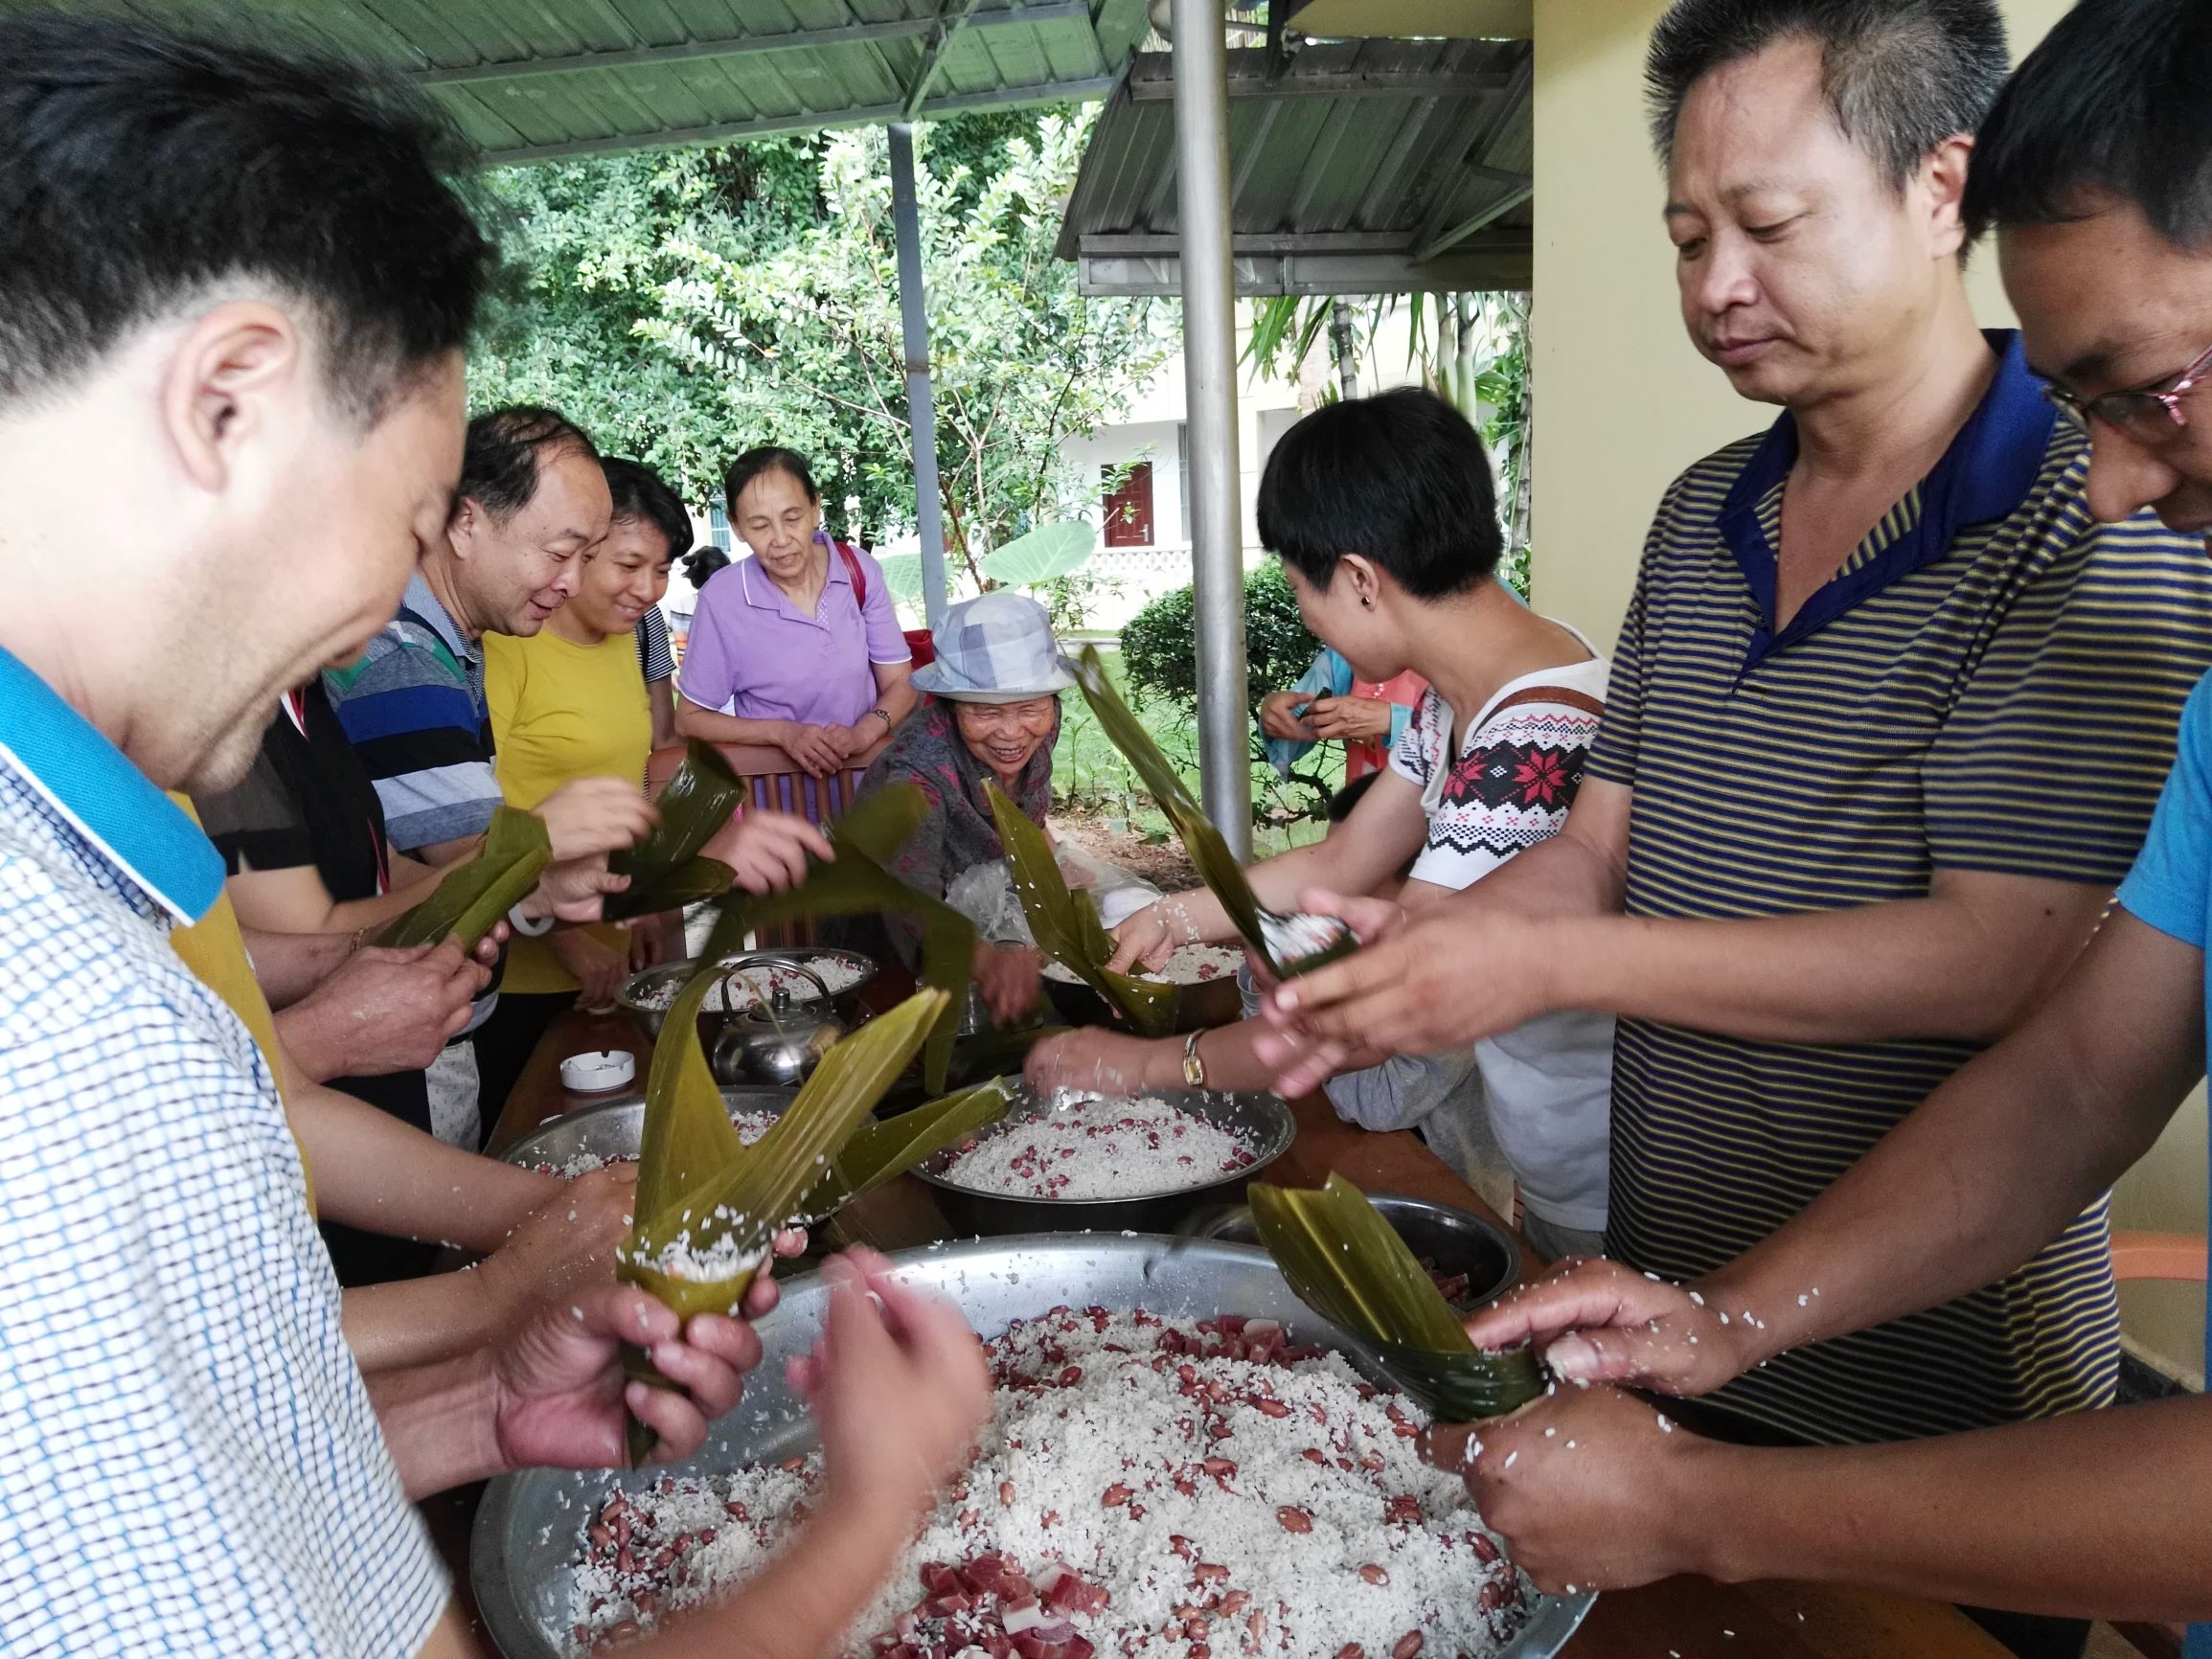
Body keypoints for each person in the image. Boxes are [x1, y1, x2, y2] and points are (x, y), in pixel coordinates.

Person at [0, 20, 988, 1658]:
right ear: (226, 397)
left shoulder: (81, 902)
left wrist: (473, 1395)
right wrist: (870, 1512)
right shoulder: (61, 1026)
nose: (370, 616)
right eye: (398, 526)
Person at [1262, 0, 2212, 1517]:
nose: (1717, 286)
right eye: (1687, 236)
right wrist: (1448, 940)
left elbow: (2008, 970)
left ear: (1939, 187)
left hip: (1937, 1380)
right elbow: (1598, 845)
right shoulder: (1704, 517)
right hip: (1684, 1303)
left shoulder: (2100, 520)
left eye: (1766, 225)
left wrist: (1563, 973)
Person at [1030, 391, 1612, 1259]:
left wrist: (1147, 1067)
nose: (1303, 612)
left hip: (1609, 1155)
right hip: (1552, 1128)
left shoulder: (1533, 738)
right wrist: (1172, 915)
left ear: (1360, 579)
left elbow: (1377, 1000)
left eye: (1301, 586)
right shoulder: (1477, 688)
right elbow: (1345, 854)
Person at [473, 456, 693, 1110]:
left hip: (609, 965)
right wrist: (564, 940)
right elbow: (471, 828)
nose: (649, 589)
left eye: (661, 570)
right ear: (580, 552)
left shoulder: (626, 641)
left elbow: (628, 777)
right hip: (518, 966)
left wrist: (645, 896)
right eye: (629, 565)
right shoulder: (509, 647)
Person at [855, 590, 1083, 1027]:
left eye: (1030, 707)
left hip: (984, 919)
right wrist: (991, 961)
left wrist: (1057, 863)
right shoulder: (918, 774)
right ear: (951, 706)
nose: (1012, 733)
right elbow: (909, 901)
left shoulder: (1042, 727)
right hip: (892, 954)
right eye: (985, 711)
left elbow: (1025, 815)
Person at [674, 446, 917, 781]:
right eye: (760, 526)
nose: (781, 539)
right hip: (778, 802)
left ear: (815, 507)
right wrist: (783, 733)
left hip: (869, 788)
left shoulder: (857, 570)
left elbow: (902, 682)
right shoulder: (723, 597)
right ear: (736, 526)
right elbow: (690, 719)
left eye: (793, 518)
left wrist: (862, 734)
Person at [1259, 647, 1425, 784]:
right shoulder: (1347, 652)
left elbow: (1450, 738)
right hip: (1363, 812)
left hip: (1442, 815)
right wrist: (1276, 715)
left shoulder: (1448, 640)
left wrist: (1392, 721)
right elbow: (1296, 723)